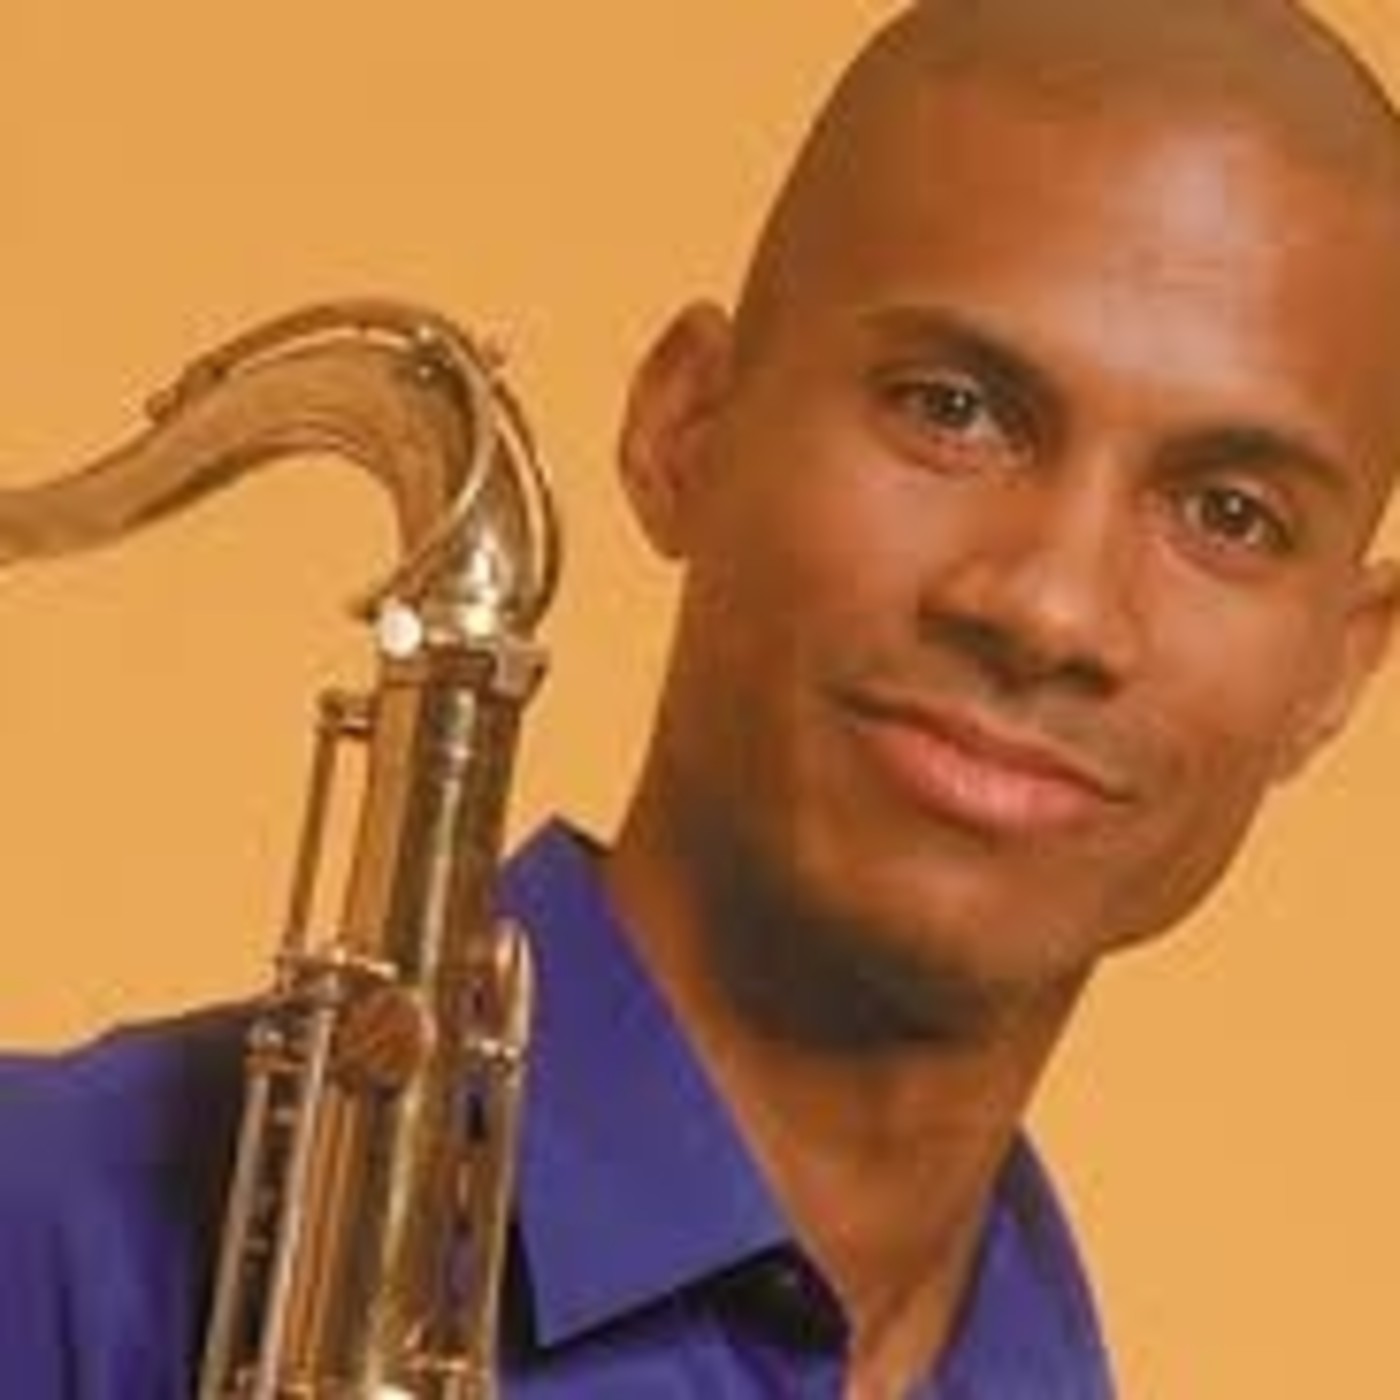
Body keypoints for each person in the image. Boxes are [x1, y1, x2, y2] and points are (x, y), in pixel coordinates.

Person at [3, 0, 1400, 1395]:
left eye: (1231, 512)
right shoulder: (54, 1229)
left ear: (1340, 665)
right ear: (687, 427)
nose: (1051, 608)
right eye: (952, 409)